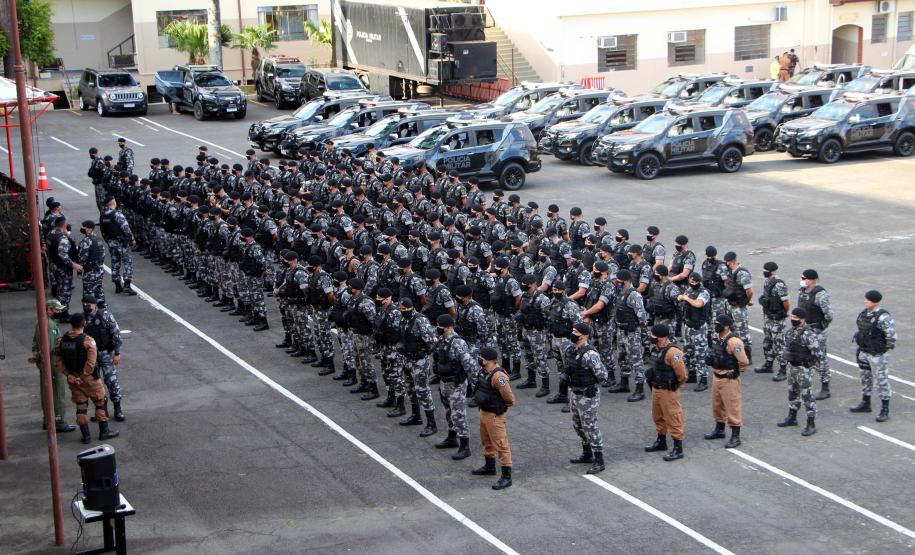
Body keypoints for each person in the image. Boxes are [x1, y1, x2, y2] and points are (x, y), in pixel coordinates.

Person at [56, 314, 119, 444]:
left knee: (81, 406)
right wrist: (82, 376)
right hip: (89, 379)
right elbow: (91, 363)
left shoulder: (61, 341)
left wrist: (70, 375)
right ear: (83, 324)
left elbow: (59, 362)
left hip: (73, 379)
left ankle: (86, 436)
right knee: (101, 402)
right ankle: (104, 431)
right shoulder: (88, 341)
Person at [433, 314, 480, 460]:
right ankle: (451, 438)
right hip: (444, 382)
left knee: (459, 414)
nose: (437, 329)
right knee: (448, 411)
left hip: (456, 384)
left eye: (440, 326)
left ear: (448, 327)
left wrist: (476, 386)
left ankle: (465, 446)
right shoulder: (441, 340)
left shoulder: (458, 343)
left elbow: (470, 365)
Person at [565, 322, 609, 475]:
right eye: (572, 330)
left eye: (575, 331)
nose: (572, 333)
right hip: (575, 393)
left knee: (590, 426)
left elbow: (603, 376)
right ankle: (587, 453)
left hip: (587, 396)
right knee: (578, 425)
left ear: (584, 335)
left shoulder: (590, 354)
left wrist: (589, 382)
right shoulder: (570, 350)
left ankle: (599, 459)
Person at [471, 346, 515, 490]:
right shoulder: (484, 372)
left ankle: (506, 476)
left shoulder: (498, 376)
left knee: (501, 445)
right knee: (486, 441)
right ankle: (489, 466)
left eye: (481, 358)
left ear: (487, 360)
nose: (479, 360)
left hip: (495, 415)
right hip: (484, 412)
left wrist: (501, 407)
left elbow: (509, 398)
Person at [29, 299, 75, 432]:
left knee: (47, 391)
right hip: (52, 361)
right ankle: (59, 420)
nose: (59, 312)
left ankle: (48, 419)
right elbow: (48, 347)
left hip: (46, 362)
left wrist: (37, 357)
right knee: (57, 391)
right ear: (49, 309)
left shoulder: (42, 323)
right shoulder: (49, 325)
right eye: (57, 310)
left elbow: (35, 344)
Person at [704, 314, 749, 448]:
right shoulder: (717, 338)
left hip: (728, 379)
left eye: (718, 323)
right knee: (717, 405)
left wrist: (735, 371)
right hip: (717, 376)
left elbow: (744, 361)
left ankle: (736, 436)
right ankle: (719, 429)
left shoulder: (734, 342)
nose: (716, 325)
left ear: (727, 326)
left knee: (732, 407)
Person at [852, 290, 896, 422]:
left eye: (868, 300)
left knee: (881, 380)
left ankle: (885, 409)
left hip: (877, 353)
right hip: (864, 351)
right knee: (865, 377)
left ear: (875, 302)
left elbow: (891, 336)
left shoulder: (883, 317)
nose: (865, 301)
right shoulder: (864, 314)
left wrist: (883, 350)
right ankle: (866, 403)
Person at [645, 324, 687, 461]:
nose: (651, 337)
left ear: (661, 337)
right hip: (656, 389)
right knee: (658, 416)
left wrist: (674, 386)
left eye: (653, 335)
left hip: (668, 390)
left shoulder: (672, 352)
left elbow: (682, 375)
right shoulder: (656, 349)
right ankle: (661, 441)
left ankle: (677, 447)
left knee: (673, 416)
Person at [82, 295, 126, 422]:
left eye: (88, 304)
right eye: (84, 304)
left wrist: (116, 353)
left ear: (95, 305)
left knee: (112, 382)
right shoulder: (82, 319)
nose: (86, 306)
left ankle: (118, 409)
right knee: (94, 384)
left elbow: (115, 333)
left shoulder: (105, 316)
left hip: (105, 353)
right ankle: (101, 411)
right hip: (90, 357)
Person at [778, 308, 820, 436]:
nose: (793, 320)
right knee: (792, 392)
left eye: (796, 318)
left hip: (803, 368)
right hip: (792, 366)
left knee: (807, 395)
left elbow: (817, 352)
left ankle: (811, 422)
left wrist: (811, 365)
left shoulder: (808, 334)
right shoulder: (790, 332)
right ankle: (792, 417)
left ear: (803, 319)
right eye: (792, 317)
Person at [798, 269, 834, 400]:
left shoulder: (820, 294)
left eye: (804, 278)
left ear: (811, 280)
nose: (802, 280)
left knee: (820, 357)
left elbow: (829, 315)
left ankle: (825, 387)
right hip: (805, 329)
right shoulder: (802, 292)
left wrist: (821, 326)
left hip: (817, 330)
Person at [756, 261, 790, 380]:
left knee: (779, 345)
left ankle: (783, 370)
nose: (764, 271)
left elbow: (786, 302)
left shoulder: (779, 284)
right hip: (768, 316)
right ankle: (768, 364)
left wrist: (783, 313)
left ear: (772, 271)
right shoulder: (767, 282)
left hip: (777, 318)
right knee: (767, 342)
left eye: (766, 269)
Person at [99, 196, 137, 295]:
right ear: (113, 203)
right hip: (121, 243)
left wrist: (108, 241)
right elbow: (126, 228)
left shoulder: (103, 216)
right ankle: (127, 286)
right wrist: (132, 239)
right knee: (127, 263)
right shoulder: (117, 215)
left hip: (111, 242)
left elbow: (103, 231)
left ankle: (117, 285)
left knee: (115, 263)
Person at [77, 220, 107, 307]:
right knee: (99, 291)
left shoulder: (86, 241)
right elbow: (103, 254)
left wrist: (80, 269)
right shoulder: (98, 239)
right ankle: (102, 311)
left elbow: (82, 258)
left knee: (88, 295)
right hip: (99, 270)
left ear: (89, 228)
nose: (82, 228)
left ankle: (90, 315)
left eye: (83, 227)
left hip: (90, 272)